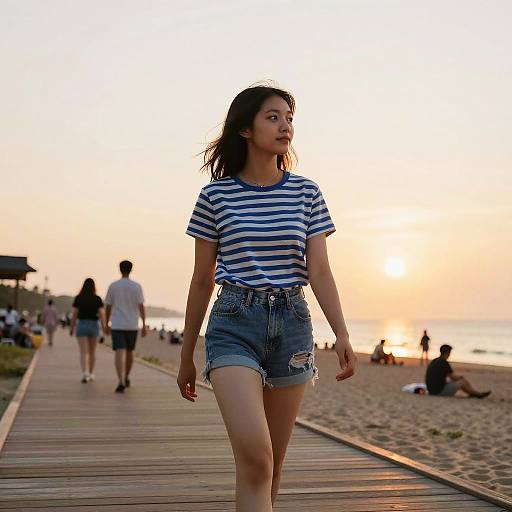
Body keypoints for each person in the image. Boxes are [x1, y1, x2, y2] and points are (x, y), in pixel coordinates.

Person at [177, 84, 357, 511]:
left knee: (272, 468)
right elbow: (202, 279)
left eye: (289, 118)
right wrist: (187, 352)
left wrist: (343, 334)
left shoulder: (306, 193)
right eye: (273, 117)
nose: (285, 126)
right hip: (234, 323)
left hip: (293, 326)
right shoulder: (215, 196)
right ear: (245, 128)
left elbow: (320, 272)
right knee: (257, 460)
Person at [105, 260, 146, 393]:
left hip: (117, 324)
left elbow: (108, 306)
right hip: (132, 324)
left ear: (120, 269)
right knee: (129, 352)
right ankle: (126, 376)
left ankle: (121, 380)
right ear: (131, 269)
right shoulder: (136, 286)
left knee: (119, 351)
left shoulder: (113, 286)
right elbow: (141, 307)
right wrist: (144, 324)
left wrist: (106, 323)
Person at [70, 278, 106, 383]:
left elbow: (74, 314)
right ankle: (90, 373)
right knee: (92, 352)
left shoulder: (78, 298)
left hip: (81, 324)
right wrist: (104, 328)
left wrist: (72, 327)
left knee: (83, 352)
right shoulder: (97, 299)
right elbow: (102, 314)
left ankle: (84, 373)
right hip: (94, 325)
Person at [425, 344, 491, 398]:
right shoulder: (444, 362)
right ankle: (477, 394)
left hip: (431, 390)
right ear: (447, 353)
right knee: (462, 381)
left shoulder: (435, 360)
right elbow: (453, 377)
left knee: (458, 382)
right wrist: (461, 377)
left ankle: (473, 393)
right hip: (438, 392)